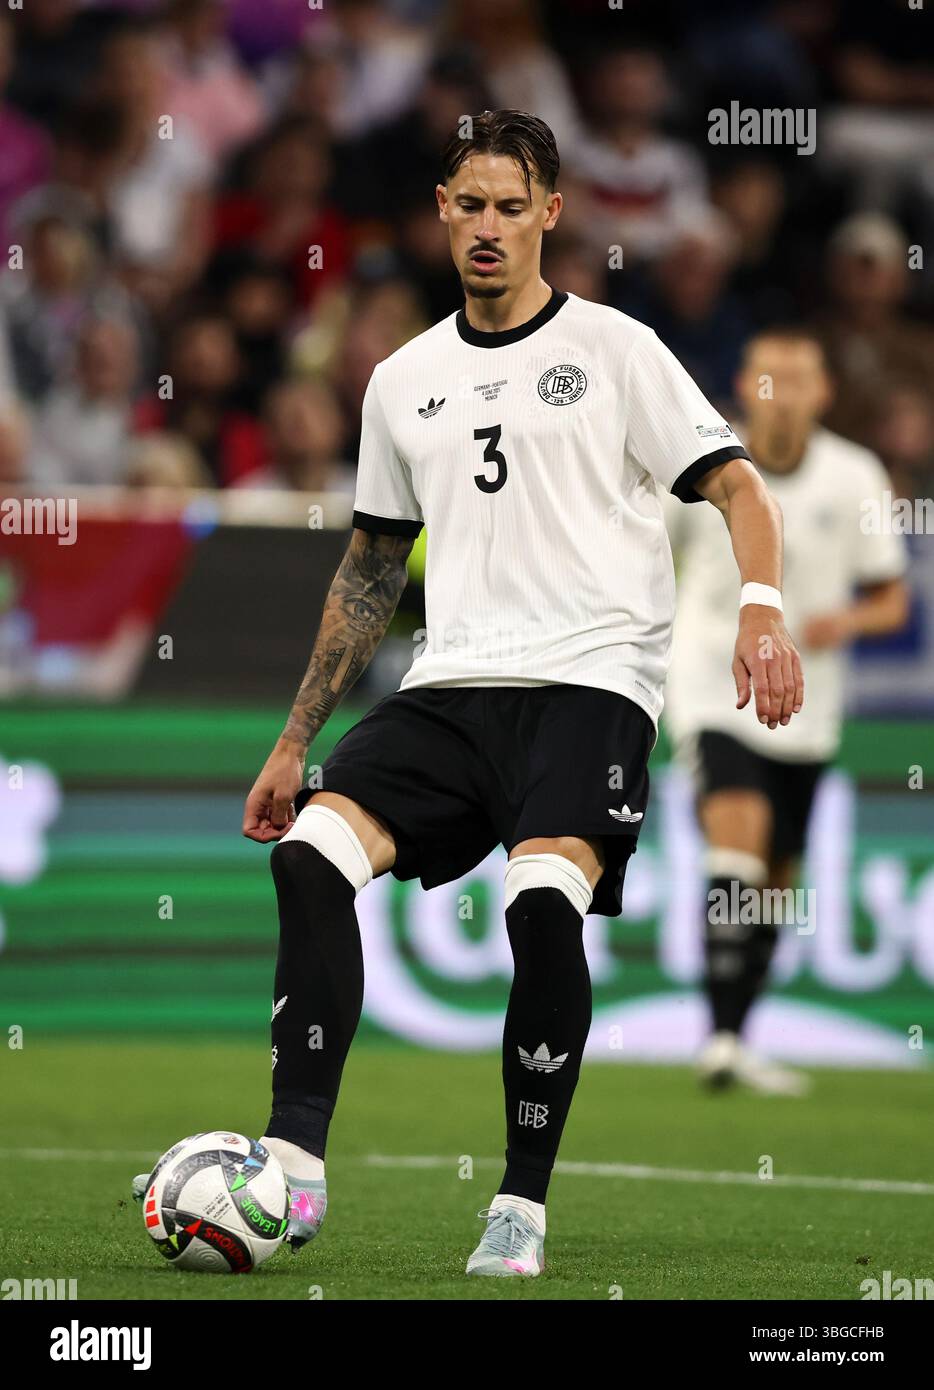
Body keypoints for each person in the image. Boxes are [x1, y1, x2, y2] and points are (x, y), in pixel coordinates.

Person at [148, 110, 804, 1279]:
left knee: (539, 902)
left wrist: (760, 607)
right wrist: (295, 740)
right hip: (450, 682)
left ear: (552, 212)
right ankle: (293, 1166)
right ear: (440, 213)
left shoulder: (617, 350)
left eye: (513, 206)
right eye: (470, 205)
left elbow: (740, 488)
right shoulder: (403, 381)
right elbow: (366, 569)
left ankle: (519, 1203)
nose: (489, 227)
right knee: (306, 855)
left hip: (591, 682)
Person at [662, 329, 909, 1094]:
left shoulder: (855, 474)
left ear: (822, 392)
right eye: (769, 378)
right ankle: (717, 1041)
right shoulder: (700, 464)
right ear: (747, 384)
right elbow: (648, 556)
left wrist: (848, 623)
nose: (783, 393)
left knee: (776, 878)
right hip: (710, 682)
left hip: (808, 700)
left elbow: (891, 598)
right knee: (739, 836)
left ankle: (734, 1036)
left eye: (798, 379)